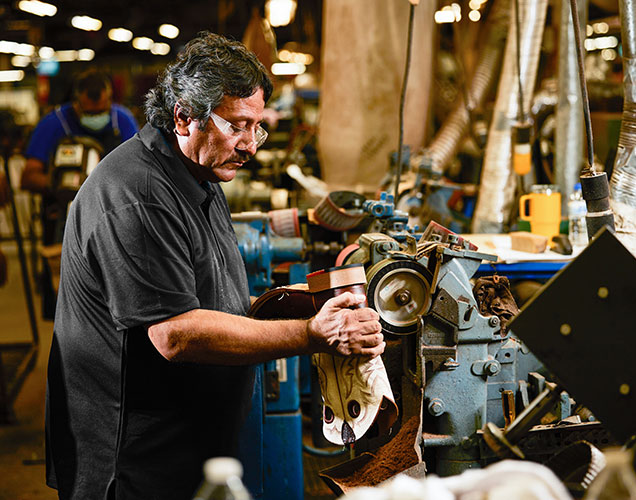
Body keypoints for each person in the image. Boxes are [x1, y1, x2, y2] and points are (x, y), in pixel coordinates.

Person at [45, 31, 385, 500]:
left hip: (184, 442)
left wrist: (310, 307)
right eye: (237, 126)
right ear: (185, 117)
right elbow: (176, 333)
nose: (250, 145)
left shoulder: (199, 177)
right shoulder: (139, 195)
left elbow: (213, 298)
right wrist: (312, 333)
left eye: (257, 127)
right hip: (132, 460)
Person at [22, 69, 139, 319]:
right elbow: (28, 176)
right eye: (89, 112)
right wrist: (64, 187)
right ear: (76, 102)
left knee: (113, 302)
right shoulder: (53, 124)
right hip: (62, 223)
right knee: (66, 305)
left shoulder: (122, 120)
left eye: (101, 111)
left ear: (110, 101)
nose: (96, 117)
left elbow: (140, 170)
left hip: (113, 222)